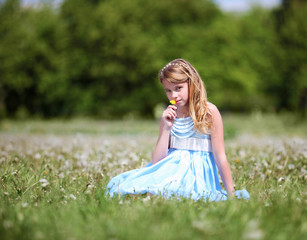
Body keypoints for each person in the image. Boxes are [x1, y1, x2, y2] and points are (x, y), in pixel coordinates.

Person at [106, 59, 249, 201]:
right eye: (168, 90)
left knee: (172, 194)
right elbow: (157, 161)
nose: (173, 95)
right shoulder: (169, 114)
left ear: (191, 84)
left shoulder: (209, 112)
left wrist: (231, 194)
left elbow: (220, 156)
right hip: (169, 169)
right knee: (131, 189)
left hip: (198, 175)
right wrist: (166, 128)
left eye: (178, 88)